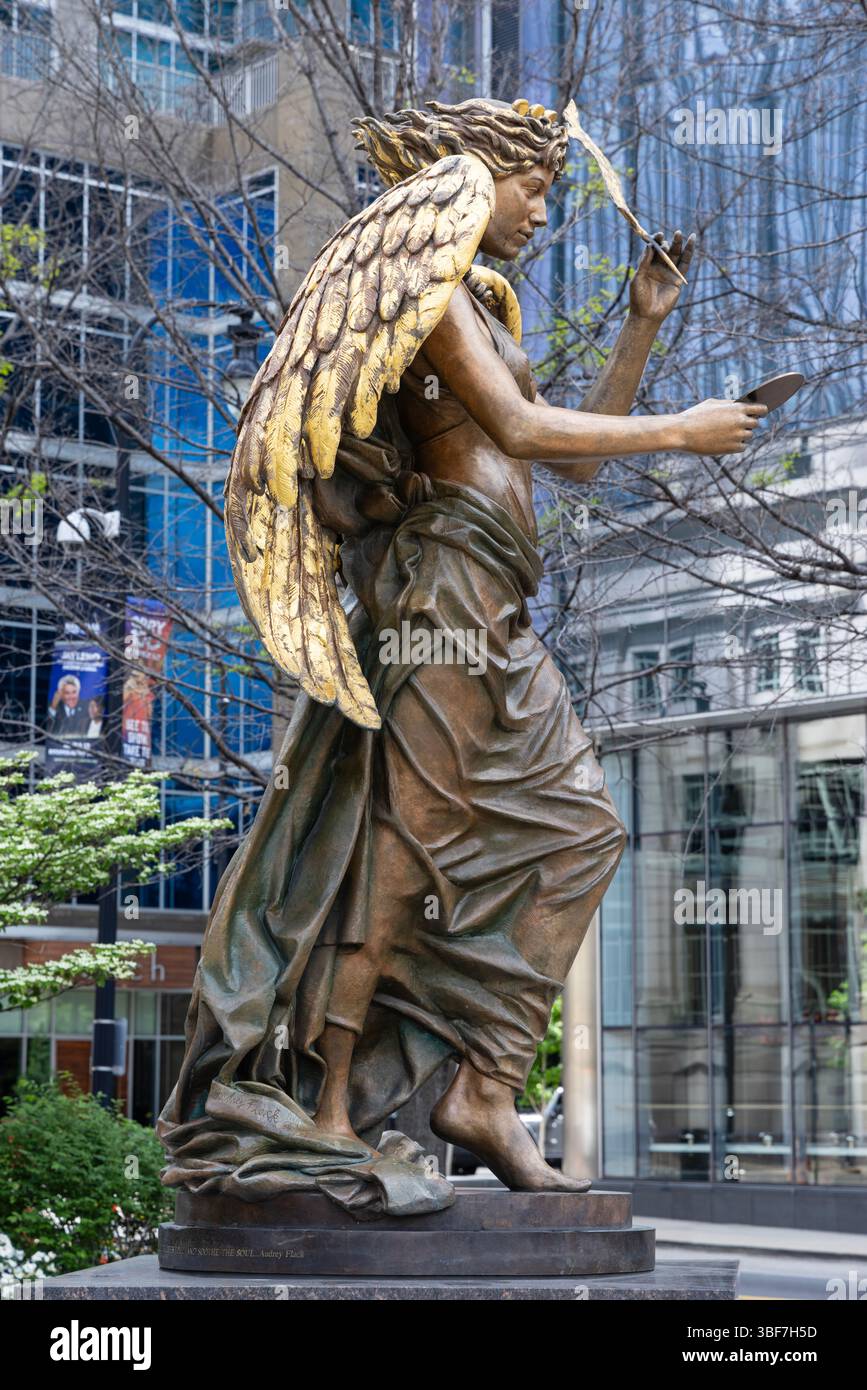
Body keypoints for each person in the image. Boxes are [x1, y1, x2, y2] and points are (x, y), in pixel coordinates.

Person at [159, 98, 766, 1214]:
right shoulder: (428, 295)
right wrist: (684, 427)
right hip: (436, 592)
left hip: (497, 604)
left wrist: (640, 322)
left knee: (584, 830)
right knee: (409, 846)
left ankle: (484, 1089)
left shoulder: (487, 313)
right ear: (472, 176)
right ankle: (331, 1102)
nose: (540, 213)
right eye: (533, 188)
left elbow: (567, 460)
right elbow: (525, 435)